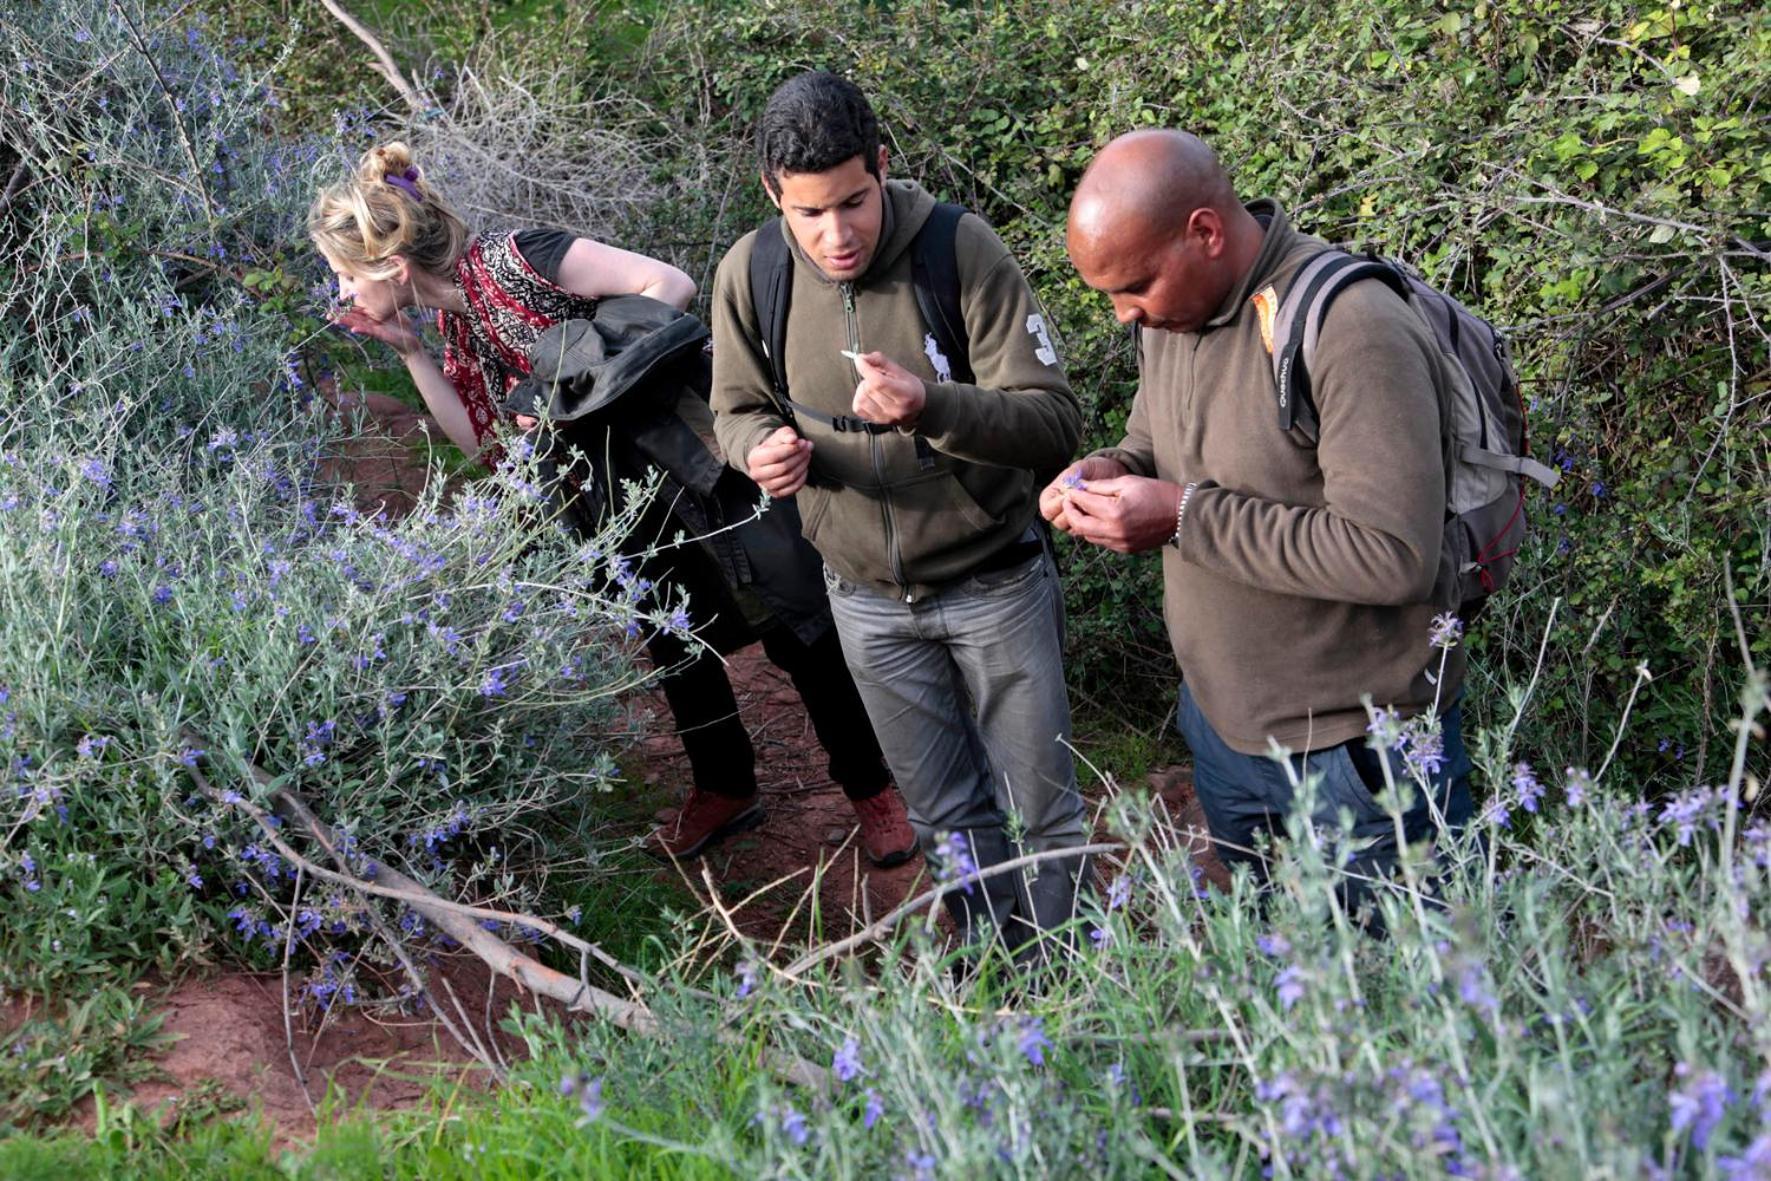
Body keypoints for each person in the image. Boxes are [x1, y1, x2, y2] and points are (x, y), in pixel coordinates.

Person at [307, 141, 918, 866]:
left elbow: (668, 284)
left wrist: (571, 386)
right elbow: (483, 445)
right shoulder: (457, 326)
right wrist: (410, 351)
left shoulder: (519, 259)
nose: (342, 293)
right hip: (611, 491)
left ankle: (870, 787)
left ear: (392, 267)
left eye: (345, 276)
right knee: (670, 638)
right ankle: (724, 787)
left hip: (695, 453)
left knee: (793, 616)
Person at [1045, 129, 1475, 915]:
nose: (1121, 315)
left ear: (1204, 232)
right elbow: (1154, 444)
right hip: (1222, 732)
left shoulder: (1351, 326)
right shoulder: (1170, 318)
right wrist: (1108, 473)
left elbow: (1393, 555)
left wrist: (1179, 516)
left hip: (1359, 751)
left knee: (1405, 1006)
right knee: (1285, 973)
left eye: (1135, 285)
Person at [708, 72, 1090, 956]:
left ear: (882, 167)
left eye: (853, 202)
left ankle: (1073, 976)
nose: (835, 235)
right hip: (865, 600)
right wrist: (756, 448)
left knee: (1040, 807)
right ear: (773, 194)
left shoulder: (955, 249)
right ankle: (996, 966)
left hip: (994, 578)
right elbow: (731, 408)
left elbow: (1053, 421)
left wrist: (932, 404)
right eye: (808, 213)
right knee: (941, 808)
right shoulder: (750, 271)